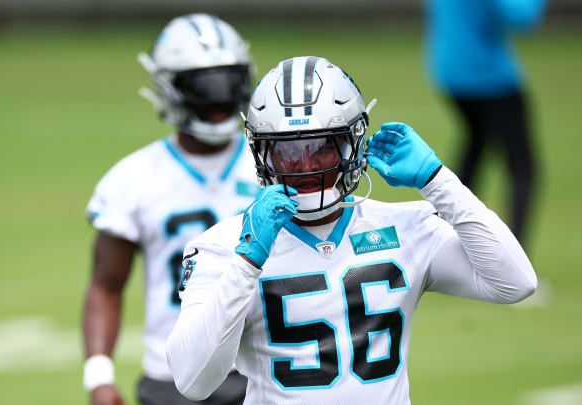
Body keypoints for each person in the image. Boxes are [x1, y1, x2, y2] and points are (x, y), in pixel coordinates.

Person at [166, 56, 537, 404]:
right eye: (289, 152)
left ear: (352, 144)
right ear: (263, 154)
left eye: (323, 148)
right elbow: (193, 381)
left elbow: (514, 282)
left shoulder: (408, 227)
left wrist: (438, 181)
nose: (306, 165)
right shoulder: (223, 247)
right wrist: (246, 264)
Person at [83, 14, 256, 405]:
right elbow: (105, 285)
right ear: (169, 87)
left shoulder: (277, 164)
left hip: (260, 368)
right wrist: (99, 377)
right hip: (172, 378)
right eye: (203, 86)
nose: (218, 97)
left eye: (228, 81)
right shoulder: (132, 177)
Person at [425, 0, 547, 243]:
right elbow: (521, 17)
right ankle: (515, 267)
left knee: (476, 144)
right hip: (488, 75)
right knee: (523, 168)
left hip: (448, 67)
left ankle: (442, 243)